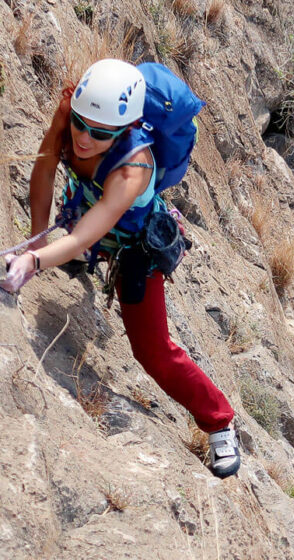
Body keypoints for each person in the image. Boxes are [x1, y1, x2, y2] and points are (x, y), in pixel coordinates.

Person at [1, 59, 241, 479]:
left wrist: (35, 261)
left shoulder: (135, 166)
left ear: (124, 130)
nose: (83, 137)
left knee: (153, 352)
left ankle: (220, 421)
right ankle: (73, 265)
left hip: (132, 247)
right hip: (85, 208)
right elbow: (42, 172)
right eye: (79, 124)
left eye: (99, 133)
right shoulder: (72, 113)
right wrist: (38, 238)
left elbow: (89, 233)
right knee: (69, 240)